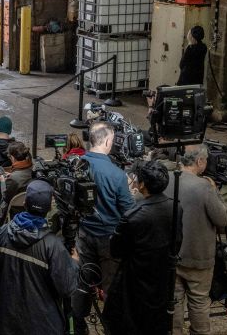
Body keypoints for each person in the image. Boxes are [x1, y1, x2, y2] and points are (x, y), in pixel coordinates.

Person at [0, 179, 80, 335]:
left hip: (7, 321)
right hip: (44, 324)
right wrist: (73, 263)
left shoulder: (3, 233)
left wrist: (1, 294)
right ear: (48, 208)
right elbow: (67, 287)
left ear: (25, 203)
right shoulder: (53, 246)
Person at [71, 122, 135, 335]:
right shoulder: (116, 174)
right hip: (109, 239)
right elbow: (129, 210)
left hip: (83, 234)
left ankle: (78, 326)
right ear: (108, 141)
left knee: (82, 281)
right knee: (111, 287)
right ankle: (111, 328)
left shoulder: (76, 165)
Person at [103, 161, 182, 335]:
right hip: (162, 277)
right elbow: (177, 241)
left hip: (135, 280)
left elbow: (116, 250)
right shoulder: (176, 207)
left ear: (142, 185)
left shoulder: (133, 216)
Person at [168, 144, 227, 335]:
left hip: (171, 255)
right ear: (200, 161)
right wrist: (214, 190)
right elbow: (223, 219)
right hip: (198, 257)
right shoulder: (204, 187)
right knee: (199, 301)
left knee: (174, 300)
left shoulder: (169, 179)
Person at [0, 141, 33, 226]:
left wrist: (3, 182)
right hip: (30, 208)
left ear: (12, 157)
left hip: (16, 212)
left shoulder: (14, 178)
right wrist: (12, 175)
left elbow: (5, 196)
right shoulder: (32, 168)